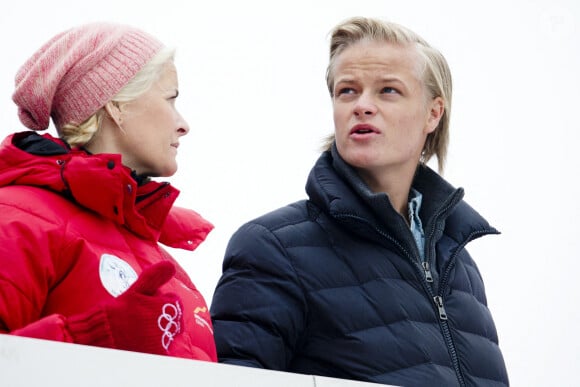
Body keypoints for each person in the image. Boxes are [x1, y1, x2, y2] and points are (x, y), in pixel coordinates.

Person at [210, 16, 509, 386]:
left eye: (388, 91)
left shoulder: (460, 265)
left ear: (433, 113)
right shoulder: (272, 247)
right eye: (347, 90)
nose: (362, 105)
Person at [0, 22, 217, 362]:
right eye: (170, 99)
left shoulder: (160, 256)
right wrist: (94, 337)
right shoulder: (17, 219)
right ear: (116, 105)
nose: (183, 124)